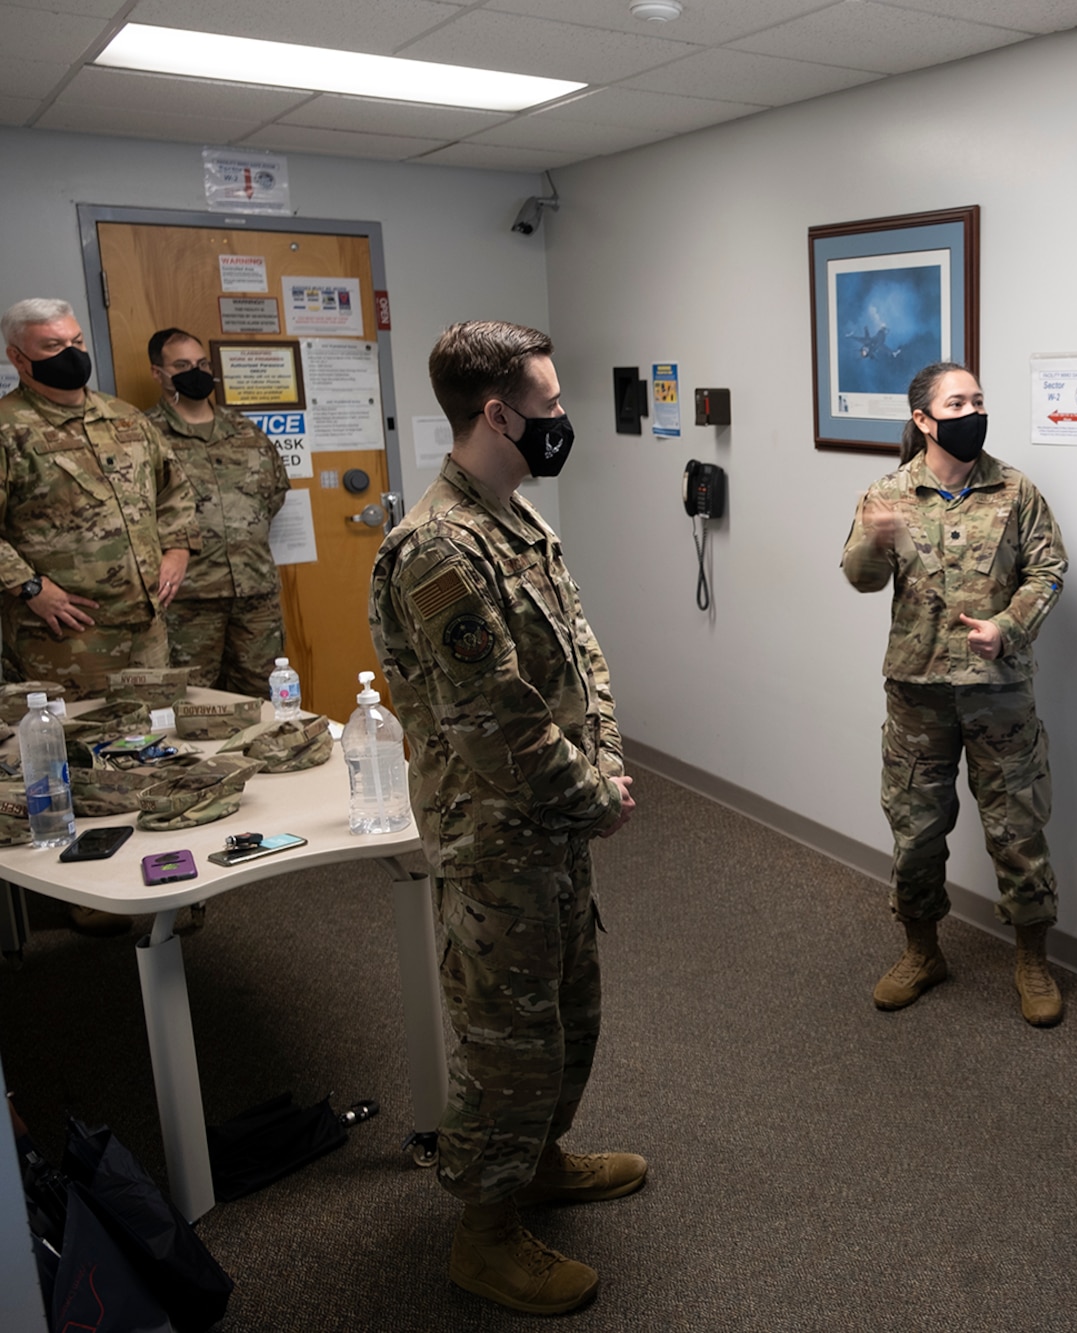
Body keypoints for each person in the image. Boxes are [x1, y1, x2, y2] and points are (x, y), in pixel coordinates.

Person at [369, 320, 642, 1316]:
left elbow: (583, 659)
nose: (563, 419)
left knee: (570, 1013)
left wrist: (605, 765)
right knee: (505, 1037)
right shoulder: (435, 551)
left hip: (557, 827)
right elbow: (494, 719)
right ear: (496, 413)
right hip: (496, 837)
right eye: (553, 405)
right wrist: (591, 792)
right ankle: (482, 1233)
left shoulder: (517, 520)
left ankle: (540, 1161)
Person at [841, 361, 1070, 1026]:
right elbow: (858, 578)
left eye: (978, 399)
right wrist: (872, 537)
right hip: (918, 697)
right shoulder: (888, 493)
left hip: (1000, 694)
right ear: (923, 419)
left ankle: (1031, 958)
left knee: (1018, 828)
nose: (972, 409)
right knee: (915, 834)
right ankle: (921, 951)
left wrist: (1007, 625)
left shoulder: (1015, 489)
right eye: (957, 401)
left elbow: (1049, 571)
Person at [0, 298, 195, 696]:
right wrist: (31, 588)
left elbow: (174, 490)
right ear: (18, 358)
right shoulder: (8, 429)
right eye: (53, 347)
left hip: (146, 629)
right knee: (80, 746)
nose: (71, 354)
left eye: (77, 341)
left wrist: (178, 551)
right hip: (64, 638)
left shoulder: (124, 417)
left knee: (155, 741)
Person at [143, 327, 291, 695]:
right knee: (191, 698)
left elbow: (272, 495)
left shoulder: (245, 430)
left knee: (266, 696)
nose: (196, 371)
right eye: (182, 364)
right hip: (188, 598)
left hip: (254, 591)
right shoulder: (145, 434)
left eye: (202, 363)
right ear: (157, 372)